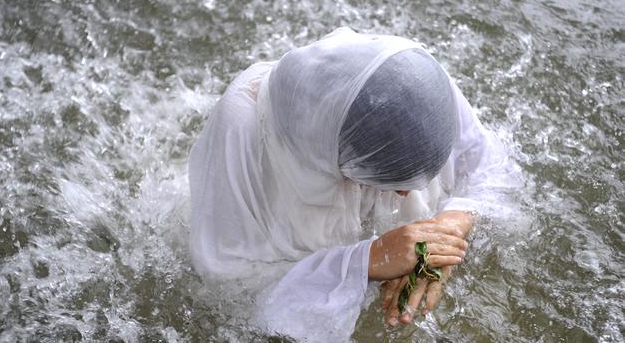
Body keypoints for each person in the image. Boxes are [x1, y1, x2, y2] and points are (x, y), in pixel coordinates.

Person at [187, 27, 501, 341]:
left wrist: (446, 233)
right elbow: (227, 289)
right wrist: (369, 260)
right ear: (334, 155)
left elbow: (494, 173)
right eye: (393, 178)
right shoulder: (242, 126)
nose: (409, 193)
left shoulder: (416, 81)